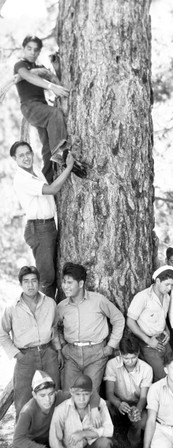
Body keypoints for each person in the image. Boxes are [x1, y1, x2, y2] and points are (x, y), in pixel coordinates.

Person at [2, 370, 101, 448]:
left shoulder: (60, 397)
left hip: (54, 444)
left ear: (55, 391)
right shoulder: (28, 411)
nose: (48, 399)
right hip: (34, 447)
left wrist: (94, 409)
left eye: (50, 394)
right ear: (34, 395)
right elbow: (18, 439)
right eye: (42, 395)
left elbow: (90, 393)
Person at [13, 35, 85, 182]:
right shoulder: (20, 65)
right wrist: (51, 86)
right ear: (23, 49)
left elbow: (55, 79)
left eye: (36, 50)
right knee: (55, 114)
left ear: (39, 52)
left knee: (47, 147)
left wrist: (57, 69)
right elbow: (27, 76)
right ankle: (62, 154)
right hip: (30, 107)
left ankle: (47, 181)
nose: (32, 52)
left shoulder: (40, 68)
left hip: (41, 106)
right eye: (29, 49)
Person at [10, 140, 74, 298]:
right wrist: (69, 168)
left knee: (54, 274)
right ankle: (46, 319)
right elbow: (51, 189)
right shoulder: (22, 179)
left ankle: (54, 312)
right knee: (47, 279)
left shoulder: (35, 170)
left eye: (28, 153)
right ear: (15, 159)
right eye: (21, 156)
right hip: (39, 229)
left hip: (49, 226)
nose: (26, 158)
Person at [0, 266, 61, 419]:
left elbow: (54, 328)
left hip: (49, 354)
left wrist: (58, 351)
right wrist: (17, 355)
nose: (30, 285)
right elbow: (2, 334)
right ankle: (22, 439)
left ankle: (52, 437)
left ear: (39, 282)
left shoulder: (50, 303)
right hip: (25, 356)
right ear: (21, 284)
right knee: (23, 401)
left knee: (53, 396)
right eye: (26, 281)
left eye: (34, 281)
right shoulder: (12, 308)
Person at [58, 262, 125, 392]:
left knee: (91, 393)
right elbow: (54, 327)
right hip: (71, 355)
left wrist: (111, 345)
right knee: (68, 394)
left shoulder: (98, 300)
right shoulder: (62, 306)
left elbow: (118, 319)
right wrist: (63, 345)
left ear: (81, 284)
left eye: (69, 283)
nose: (65, 286)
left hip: (96, 354)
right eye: (64, 282)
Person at [127, 265, 173, 381]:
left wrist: (167, 331)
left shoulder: (167, 297)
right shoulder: (142, 297)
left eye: (172, 285)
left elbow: (162, 318)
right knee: (162, 377)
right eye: (167, 284)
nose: (169, 288)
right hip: (148, 343)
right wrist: (148, 340)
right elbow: (130, 321)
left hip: (163, 341)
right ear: (158, 281)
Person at [104, 336, 153, 448]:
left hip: (136, 404)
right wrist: (118, 403)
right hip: (118, 403)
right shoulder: (112, 364)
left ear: (138, 353)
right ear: (120, 353)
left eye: (133, 357)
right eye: (126, 358)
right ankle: (111, 438)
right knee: (104, 405)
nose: (130, 362)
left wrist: (138, 409)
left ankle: (135, 442)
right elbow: (109, 393)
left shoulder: (146, 369)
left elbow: (143, 397)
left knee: (140, 420)